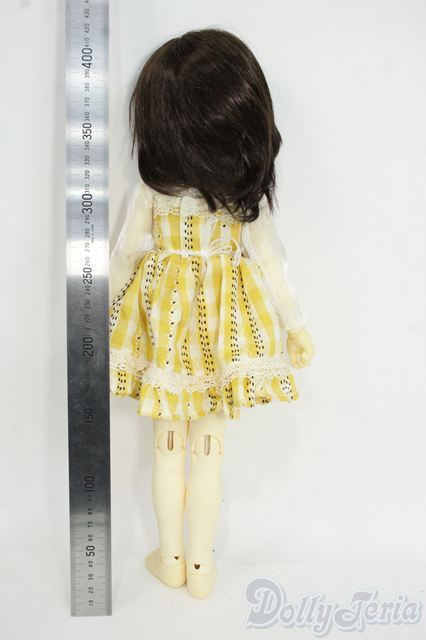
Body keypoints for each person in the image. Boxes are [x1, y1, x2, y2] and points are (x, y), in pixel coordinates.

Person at [109, 28, 315, 599]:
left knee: (167, 447)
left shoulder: (153, 196)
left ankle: (172, 557)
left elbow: (125, 255)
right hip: (223, 334)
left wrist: (102, 314)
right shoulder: (240, 202)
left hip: (166, 331)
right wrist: (296, 325)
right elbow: (272, 262)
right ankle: (200, 566)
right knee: (208, 451)